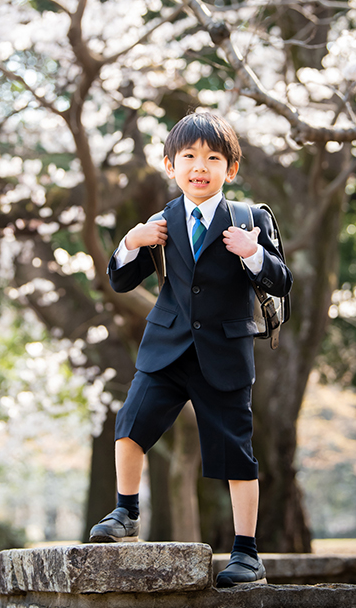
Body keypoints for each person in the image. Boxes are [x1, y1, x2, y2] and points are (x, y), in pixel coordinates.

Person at [88, 110, 293, 588]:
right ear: (169, 164)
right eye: (189, 157)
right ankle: (125, 513)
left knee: (235, 452)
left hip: (224, 352)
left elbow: (282, 282)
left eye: (213, 157)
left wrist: (253, 253)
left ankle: (246, 553)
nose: (200, 165)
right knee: (130, 424)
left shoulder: (250, 219)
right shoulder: (161, 220)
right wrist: (130, 241)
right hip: (166, 347)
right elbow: (119, 282)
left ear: (231, 169)